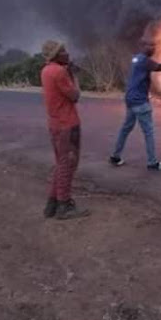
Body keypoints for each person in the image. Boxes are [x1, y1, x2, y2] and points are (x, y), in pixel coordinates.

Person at [110, 38, 161, 170]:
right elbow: (160, 67)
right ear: (142, 46)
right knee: (148, 132)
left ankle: (115, 156)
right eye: (150, 45)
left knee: (126, 128)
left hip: (130, 99)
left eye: (154, 46)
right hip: (140, 101)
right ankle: (152, 162)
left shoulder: (136, 59)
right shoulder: (144, 61)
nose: (153, 48)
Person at [40, 40, 90, 220]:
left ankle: (51, 204)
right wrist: (73, 76)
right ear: (56, 55)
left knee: (61, 164)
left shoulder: (46, 70)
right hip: (67, 124)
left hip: (55, 125)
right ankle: (64, 205)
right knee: (68, 164)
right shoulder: (59, 72)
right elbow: (75, 96)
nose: (67, 54)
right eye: (63, 51)